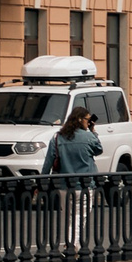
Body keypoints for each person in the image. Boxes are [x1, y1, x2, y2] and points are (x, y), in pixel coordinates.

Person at [43, 107, 104, 249]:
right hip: (85, 185)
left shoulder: (58, 137)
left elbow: (48, 162)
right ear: (79, 119)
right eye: (88, 120)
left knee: (69, 216)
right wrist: (93, 132)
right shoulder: (88, 137)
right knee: (79, 216)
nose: (89, 123)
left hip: (64, 185)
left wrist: (42, 182)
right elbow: (99, 149)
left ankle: (71, 244)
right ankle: (72, 246)